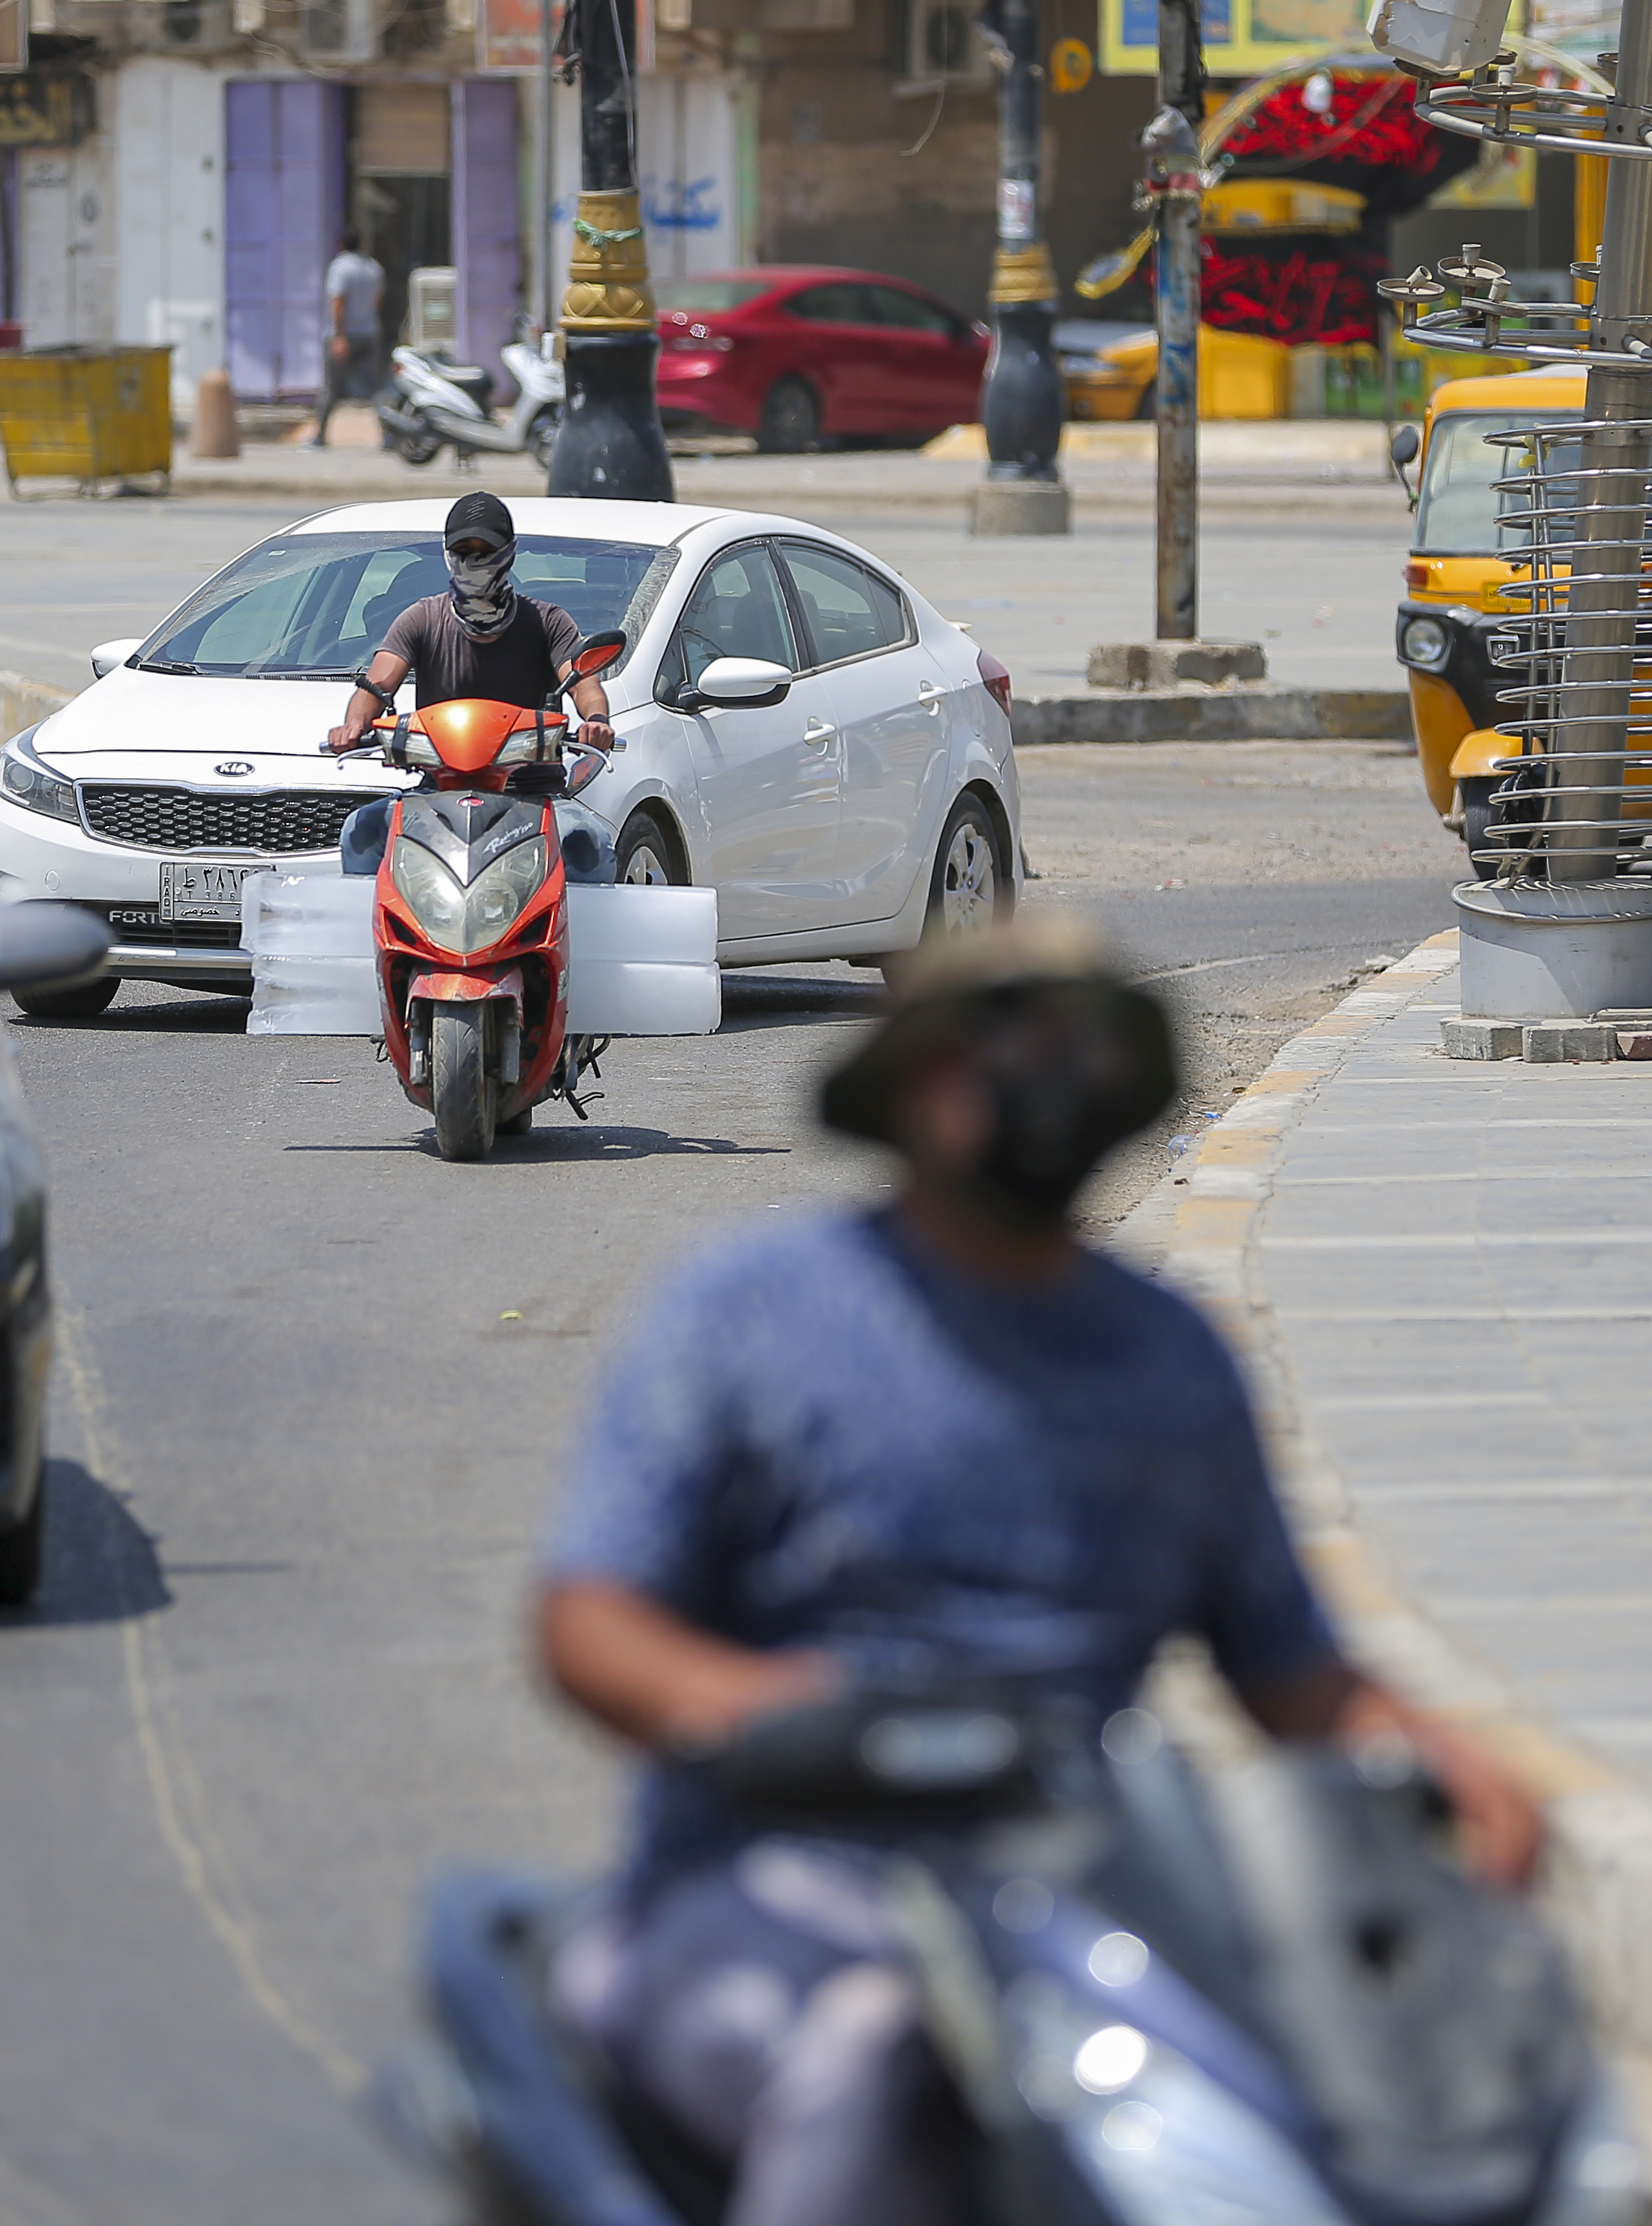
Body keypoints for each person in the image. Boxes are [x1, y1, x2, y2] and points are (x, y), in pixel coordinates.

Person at [530, 918, 1545, 2226]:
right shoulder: (746, 1314)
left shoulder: (1171, 1359)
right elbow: (590, 1621)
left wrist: (1455, 1768)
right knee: (883, 2051)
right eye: (992, 1048)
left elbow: (1287, 1673)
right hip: (773, 1880)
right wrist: (759, 1711)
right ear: (907, 1089)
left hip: (1083, 1890)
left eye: (1068, 1049)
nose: (1035, 1082)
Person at [322, 492, 616, 754]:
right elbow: (377, 685)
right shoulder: (422, 619)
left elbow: (584, 686)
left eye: (486, 553)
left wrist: (597, 722)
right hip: (439, 783)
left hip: (531, 785)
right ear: (448, 554)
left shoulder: (548, 622)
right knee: (366, 819)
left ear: (509, 552)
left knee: (577, 819)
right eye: (463, 553)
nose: (474, 563)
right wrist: (354, 725)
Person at [311, 231, 384, 447]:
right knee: (376, 390)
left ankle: (320, 436)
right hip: (369, 333)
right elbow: (377, 300)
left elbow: (338, 302)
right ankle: (389, 434)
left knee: (332, 388)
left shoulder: (341, 267)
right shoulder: (373, 268)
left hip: (345, 334)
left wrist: (339, 335)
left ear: (340, 244)